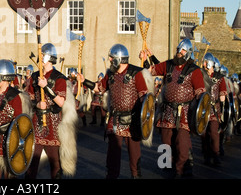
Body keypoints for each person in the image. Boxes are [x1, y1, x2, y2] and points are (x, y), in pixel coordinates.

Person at [85, 44, 152, 179]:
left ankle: (136, 176)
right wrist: (84, 81)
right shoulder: (110, 74)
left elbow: (144, 97)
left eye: (112, 58)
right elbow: (99, 88)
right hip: (115, 120)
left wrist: (143, 118)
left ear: (119, 59)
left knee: (134, 157)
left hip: (132, 120)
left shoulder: (136, 73)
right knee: (112, 156)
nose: (110, 60)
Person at [142, 38, 206, 178]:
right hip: (167, 110)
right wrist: (145, 59)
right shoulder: (168, 65)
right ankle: (165, 167)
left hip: (184, 111)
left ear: (188, 53)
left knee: (182, 143)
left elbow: (201, 94)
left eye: (182, 50)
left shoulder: (194, 71)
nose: (179, 52)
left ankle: (182, 171)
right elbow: (150, 71)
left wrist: (197, 114)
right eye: (178, 50)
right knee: (165, 142)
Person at [26, 43, 78, 179]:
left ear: (48, 57)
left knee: (55, 163)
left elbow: (61, 101)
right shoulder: (35, 76)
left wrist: (46, 86)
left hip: (53, 125)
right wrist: (37, 104)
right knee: (32, 163)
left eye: (42, 55)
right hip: (37, 123)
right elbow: (28, 98)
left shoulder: (59, 78)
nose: (40, 57)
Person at [0, 59, 31, 179]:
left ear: (5, 77)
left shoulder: (15, 96)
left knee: (9, 175)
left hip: (9, 141)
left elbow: (19, 123)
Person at [200, 53, 227, 166]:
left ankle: (215, 154)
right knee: (204, 134)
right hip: (202, 109)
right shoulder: (200, 75)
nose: (204, 64)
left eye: (205, 62)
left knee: (214, 133)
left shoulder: (219, 77)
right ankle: (207, 156)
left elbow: (222, 96)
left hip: (214, 109)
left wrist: (221, 100)